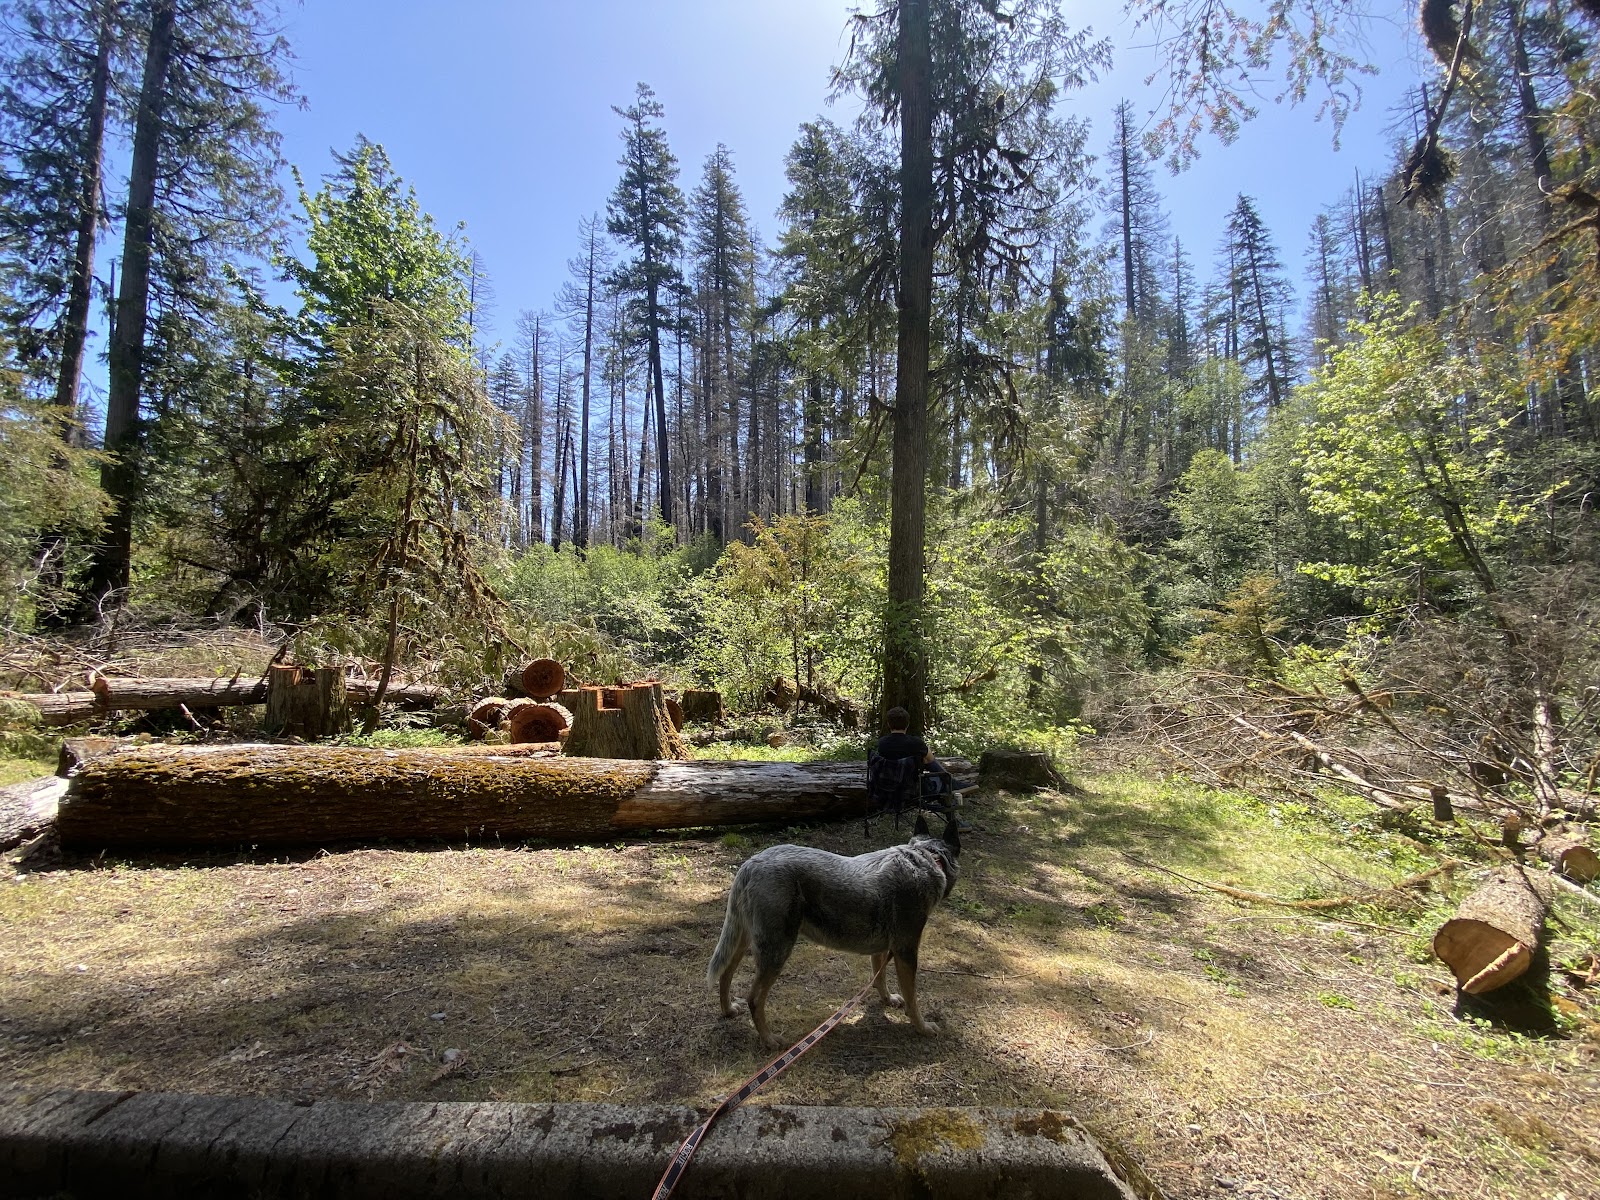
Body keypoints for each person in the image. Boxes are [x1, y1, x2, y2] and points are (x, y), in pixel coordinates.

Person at [875, 706, 975, 830]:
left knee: (927, 765)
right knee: (938, 779)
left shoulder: (882, 743)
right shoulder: (915, 743)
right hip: (913, 790)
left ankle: (950, 782)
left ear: (889, 724)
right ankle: (951, 789)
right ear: (907, 724)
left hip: (884, 789)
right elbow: (931, 759)